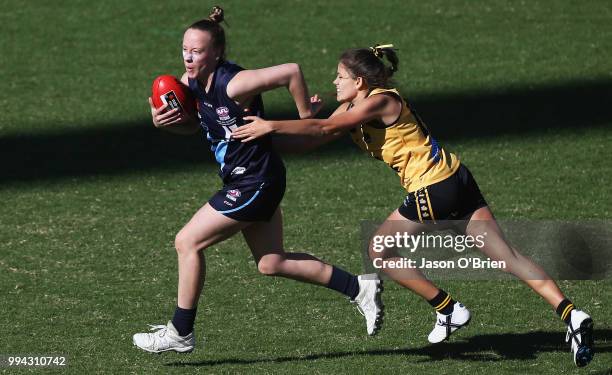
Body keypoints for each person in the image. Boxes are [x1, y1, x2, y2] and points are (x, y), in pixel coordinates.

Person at [232, 44, 595, 367]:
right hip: (454, 179)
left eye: (341, 75)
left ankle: (448, 308)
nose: (334, 80)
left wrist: (273, 124)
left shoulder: (381, 99)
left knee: (379, 250)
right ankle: (572, 316)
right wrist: (264, 141)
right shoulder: (352, 106)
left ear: (360, 80)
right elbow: (314, 138)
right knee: (506, 256)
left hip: (433, 186)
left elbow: (326, 129)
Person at [132, 8, 384, 354]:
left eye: (198, 51)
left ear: (216, 53)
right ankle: (359, 288)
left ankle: (181, 331)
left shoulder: (235, 84)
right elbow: (201, 125)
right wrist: (165, 123)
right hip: (250, 178)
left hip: (254, 182)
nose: (189, 58)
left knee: (187, 242)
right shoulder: (190, 82)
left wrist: (305, 116)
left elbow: (290, 72)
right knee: (271, 262)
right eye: (185, 50)